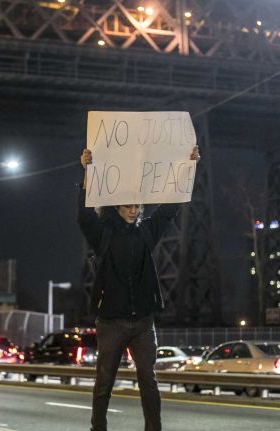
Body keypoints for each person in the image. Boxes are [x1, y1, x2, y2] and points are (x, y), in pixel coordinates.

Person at [78, 145, 200, 431]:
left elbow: (170, 207)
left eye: (137, 206)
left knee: (149, 379)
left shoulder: (146, 231)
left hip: (143, 322)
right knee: (104, 383)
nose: (134, 210)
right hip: (111, 322)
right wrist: (86, 172)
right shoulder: (103, 234)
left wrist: (188, 165)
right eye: (128, 206)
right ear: (116, 207)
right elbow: (83, 217)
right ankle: (98, 428)